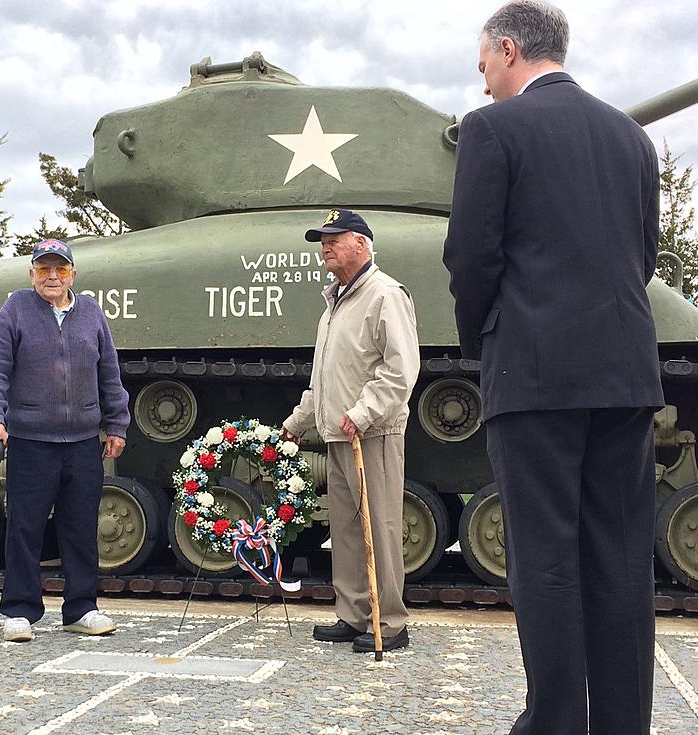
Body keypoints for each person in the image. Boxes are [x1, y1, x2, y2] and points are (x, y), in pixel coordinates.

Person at [442, 2, 663, 733]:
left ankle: (556, 722)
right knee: (624, 557)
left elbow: (471, 258)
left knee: (545, 560)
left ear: (508, 50)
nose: (483, 86)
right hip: (626, 373)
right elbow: (642, 255)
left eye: (484, 68)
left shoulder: (493, 130)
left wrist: (488, 342)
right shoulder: (631, 137)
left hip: (534, 377)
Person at [281, 208, 420, 654]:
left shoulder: (384, 294)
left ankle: (391, 621)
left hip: (372, 434)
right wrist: (297, 423)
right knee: (344, 530)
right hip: (338, 435)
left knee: (379, 528)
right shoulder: (334, 303)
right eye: (323, 240)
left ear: (361, 243)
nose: (325, 247)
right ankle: (353, 613)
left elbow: (401, 370)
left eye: (334, 238)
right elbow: (324, 381)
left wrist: (362, 414)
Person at [0, 238, 130, 643]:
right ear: (31, 274)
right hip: (31, 439)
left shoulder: (92, 314)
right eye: (43, 268)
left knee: (80, 528)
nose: (52, 276)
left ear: (72, 275)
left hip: (82, 440)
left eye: (59, 269)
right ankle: (19, 611)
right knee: (24, 527)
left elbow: (109, 374)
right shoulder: (15, 310)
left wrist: (117, 424)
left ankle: (81, 608)